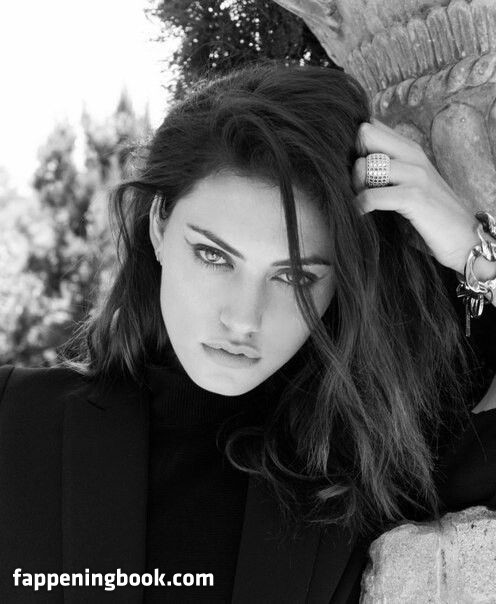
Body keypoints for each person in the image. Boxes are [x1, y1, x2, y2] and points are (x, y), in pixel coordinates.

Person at [0, 60, 495, 603]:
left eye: (295, 276)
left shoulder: (380, 456)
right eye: (214, 256)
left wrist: (475, 252)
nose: (243, 317)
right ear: (159, 225)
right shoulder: (14, 419)